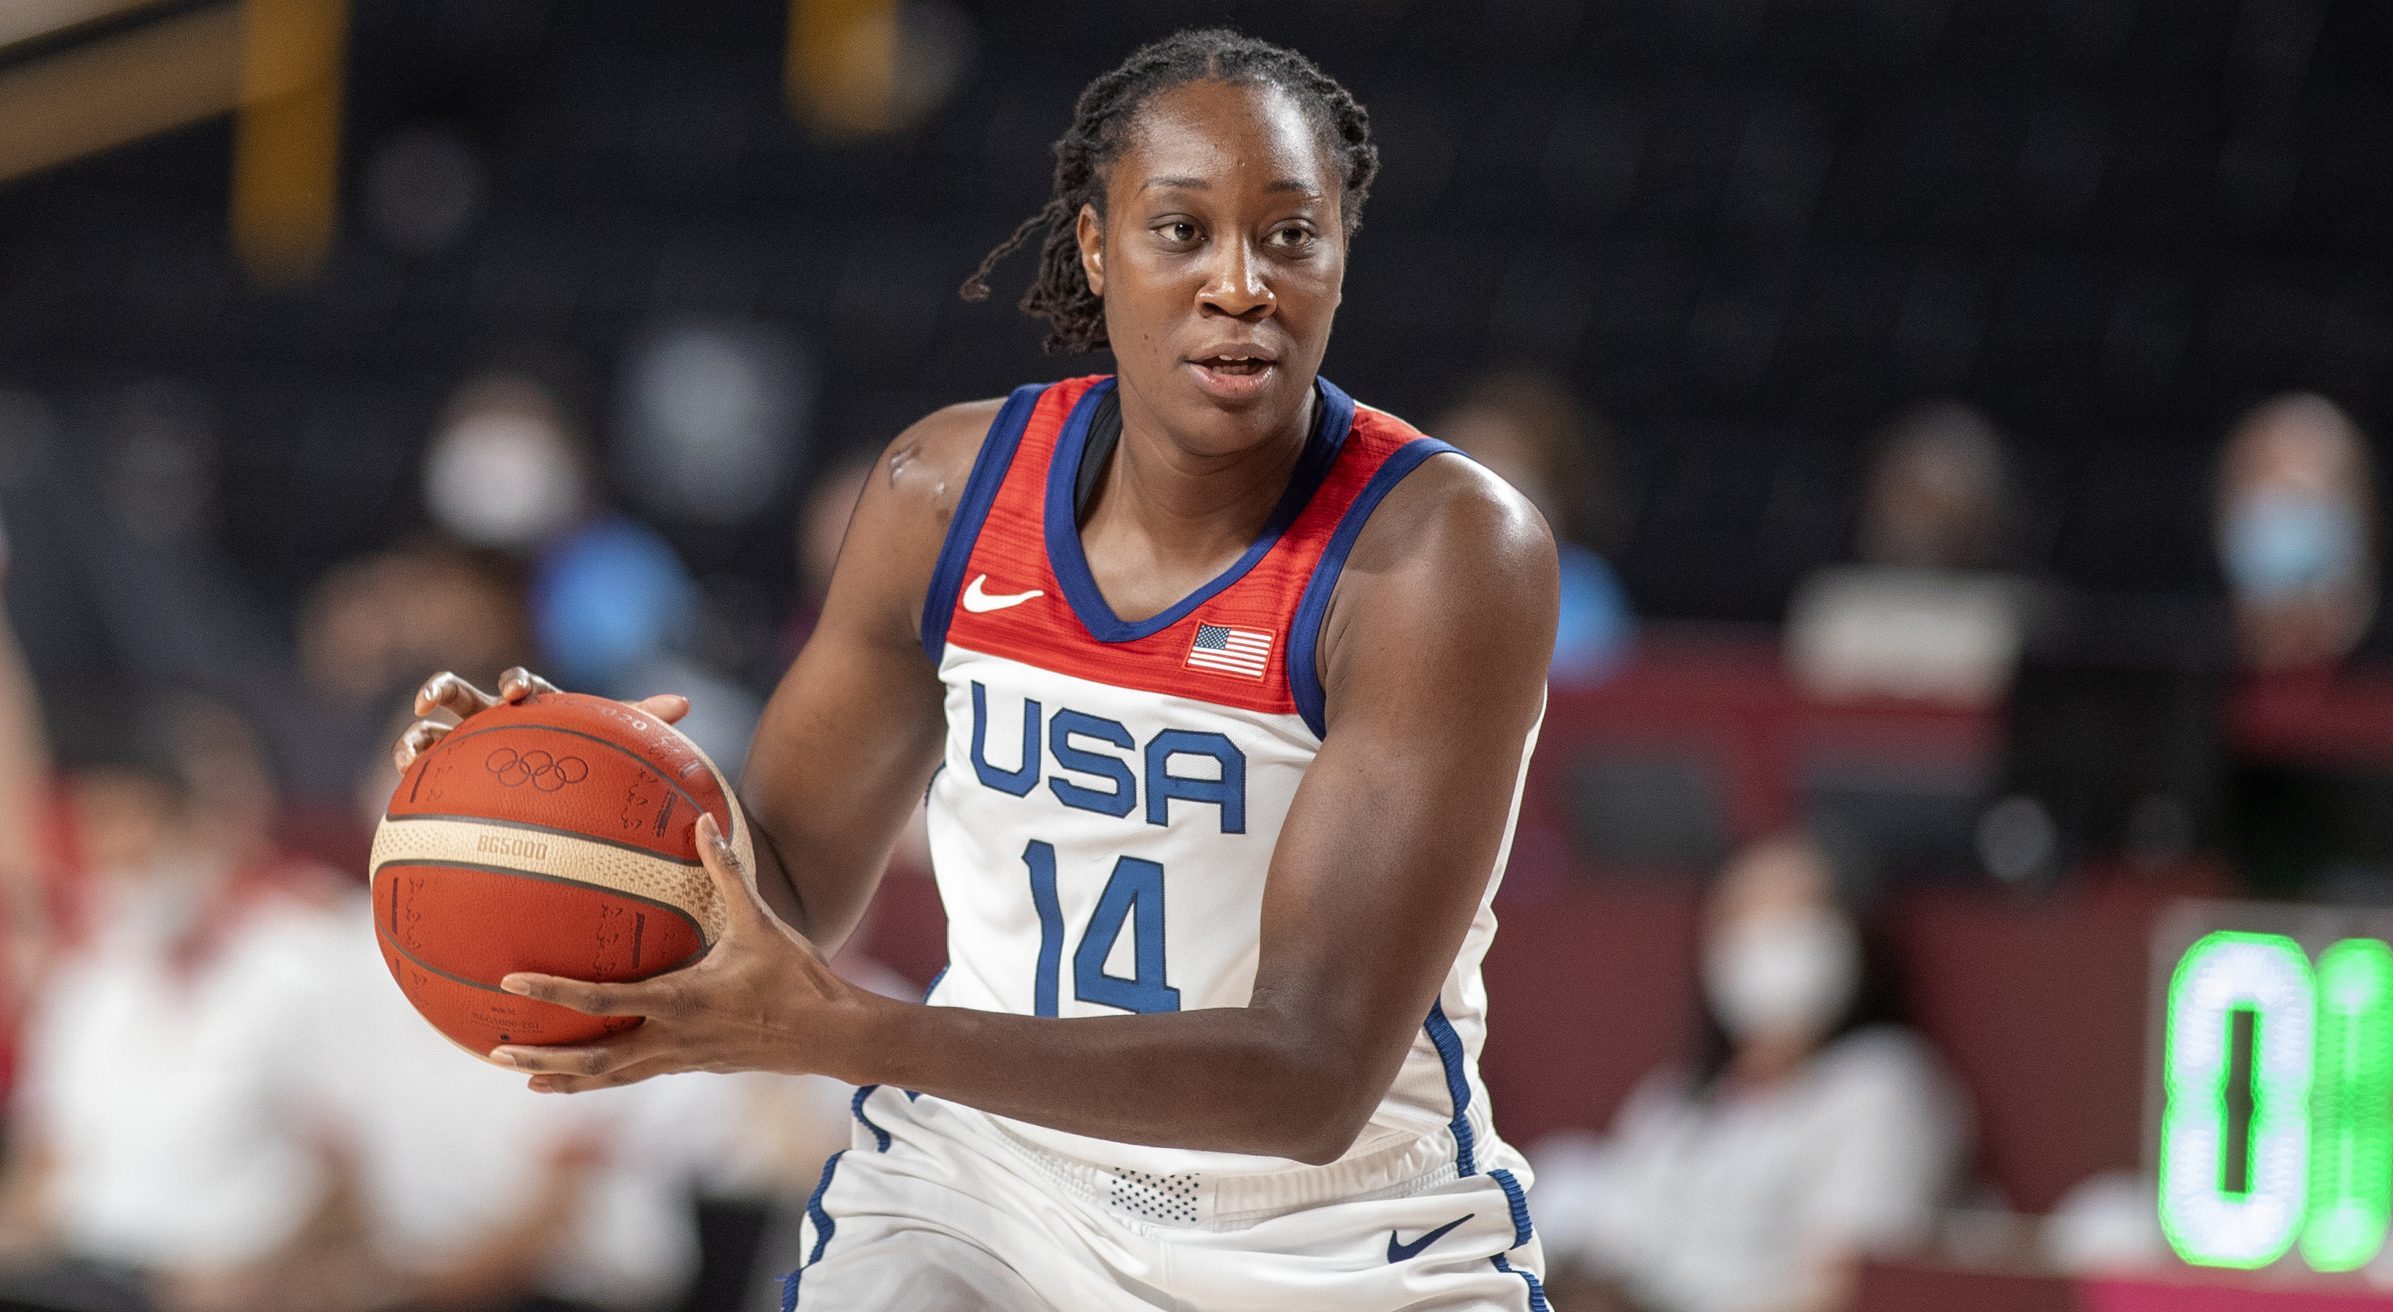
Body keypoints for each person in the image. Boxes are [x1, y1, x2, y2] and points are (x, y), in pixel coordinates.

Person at [394, 27, 1558, 1312]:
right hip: (982, 1183)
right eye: (1181, 230)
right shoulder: (942, 494)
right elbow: (780, 886)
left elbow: (1309, 1077)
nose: (1241, 284)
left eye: (1291, 235)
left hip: (1326, 1234)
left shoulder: (1441, 554)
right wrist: (560, 790)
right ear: (1096, 248)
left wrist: (851, 1031)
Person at [1527, 834, 1970, 1312]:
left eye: (1797, 915)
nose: (1768, 941)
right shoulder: (1671, 1105)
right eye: (1744, 919)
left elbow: (1845, 1285)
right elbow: (1612, 1246)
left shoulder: (1880, 1086)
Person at [1784, 401, 2028, 707]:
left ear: (1983, 515)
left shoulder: (2004, 619)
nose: (1917, 520)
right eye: (1907, 494)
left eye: (1937, 502)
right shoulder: (1833, 605)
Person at [1435, 371, 1633, 684]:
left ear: (1554, 495)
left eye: (1504, 479)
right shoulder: (1399, 577)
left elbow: (1578, 678)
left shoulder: (1582, 588)